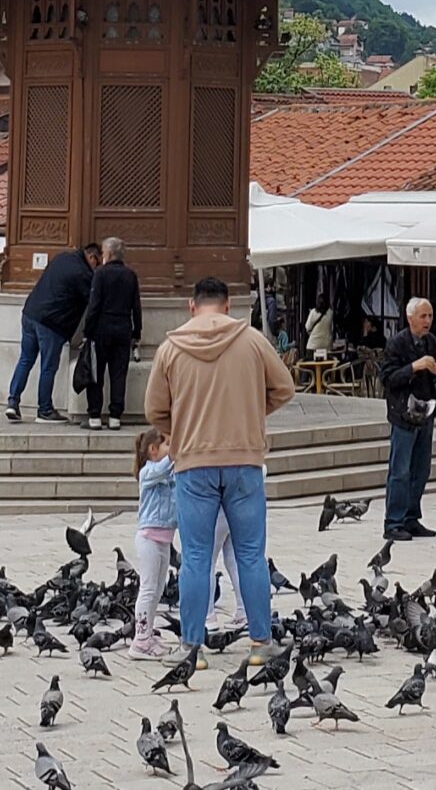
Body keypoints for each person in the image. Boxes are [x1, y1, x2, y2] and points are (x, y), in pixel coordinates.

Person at [145, 276, 294, 664]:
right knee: (250, 554)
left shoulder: (171, 347)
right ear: (228, 306)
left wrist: (178, 432)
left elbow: (154, 410)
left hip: (194, 463)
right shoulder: (252, 340)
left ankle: (191, 647)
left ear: (192, 307)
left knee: (196, 555)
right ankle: (261, 643)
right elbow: (285, 388)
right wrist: (250, 415)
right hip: (245, 460)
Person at [379, 296, 436, 542]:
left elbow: (432, 377)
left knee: (421, 469)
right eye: (423, 316)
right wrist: (414, 366)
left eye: (430, 316)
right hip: (403, 413)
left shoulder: (430, 341)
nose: (427, 321)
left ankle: (410, 516)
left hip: (425, 411)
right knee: (400, 470)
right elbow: (387, 379)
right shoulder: (397, 343)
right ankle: (393, 521)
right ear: (410, 318)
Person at [7, 244, 92, 424]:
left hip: (30, 313)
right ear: (92, 257)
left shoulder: (62, 257)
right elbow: (92, 301)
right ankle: (44, 409)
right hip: (51, 323)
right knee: (48, 366)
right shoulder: (83, 274)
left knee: (25, 360)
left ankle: (12, 402)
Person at [81, 237, 141, 430]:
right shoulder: (131, 275)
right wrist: (136, 332)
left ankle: (95, 415)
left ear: (107, 254)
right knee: (118, 374)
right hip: (123, 329)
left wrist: (87, 331)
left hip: (101, 330)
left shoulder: (100, 274)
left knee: (97, 373)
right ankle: (115, 415)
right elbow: (136, 307)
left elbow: (94, 305)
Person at [128, 428, 176, 659]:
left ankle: (148, 633)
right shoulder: (148, 472)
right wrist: (177, 452)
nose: (171, 448)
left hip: (165, 538)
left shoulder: (168, 473)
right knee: (147, 589)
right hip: (148, 538)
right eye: (167, 444)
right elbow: (163, 467)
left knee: (158, 589)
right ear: (153, 450)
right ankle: (140, 641)